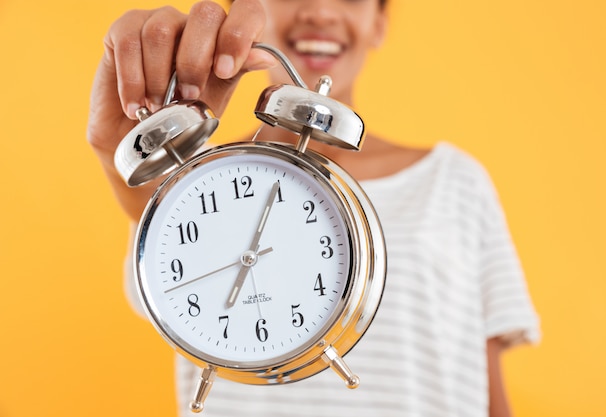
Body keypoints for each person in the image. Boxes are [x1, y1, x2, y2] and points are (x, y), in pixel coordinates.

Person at [87, 1, 540, 416]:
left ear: (379, 24)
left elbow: (485, 383)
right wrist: (123, 152)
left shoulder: (454, 181)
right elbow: (155, 231)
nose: (320, 10)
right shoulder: (190, 191)